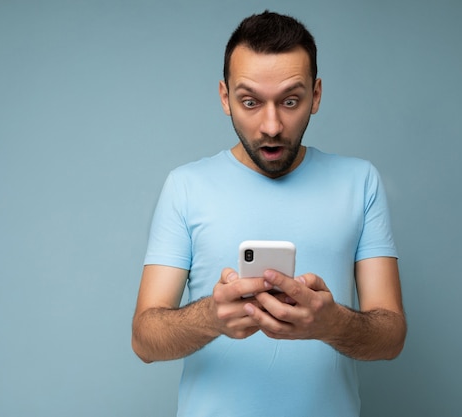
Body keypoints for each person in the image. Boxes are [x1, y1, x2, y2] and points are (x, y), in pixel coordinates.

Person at [132, 10, 406, 417]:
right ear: (225, 98)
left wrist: (330, 324)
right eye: (250, 102)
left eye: (290, 100)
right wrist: (212, 316)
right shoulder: (185, 186)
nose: (272, 126)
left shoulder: (360, 181)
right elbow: (144, 340)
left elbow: (391, 337)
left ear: (316, 95)